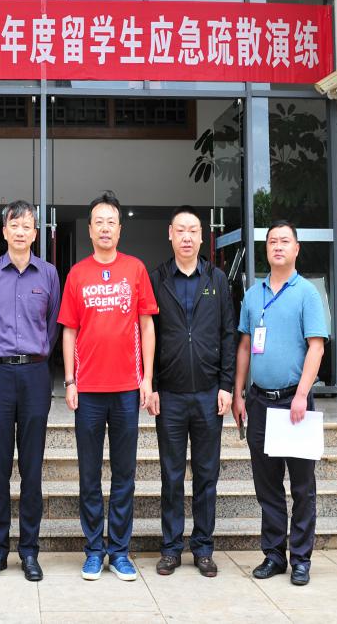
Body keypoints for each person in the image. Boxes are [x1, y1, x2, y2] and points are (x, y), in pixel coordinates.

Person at [57, 190, 157, 582]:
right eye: (98, 222)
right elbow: (69, 331)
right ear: (90, 229)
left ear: (119, 229)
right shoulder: (77, 274)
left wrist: (147, 378)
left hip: (128, 390)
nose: (104, 228)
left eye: (110, 222)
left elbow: (147, 325)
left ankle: (119, 551)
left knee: (124, 474)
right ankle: (93, 550)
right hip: (88, 391)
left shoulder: (135, 269)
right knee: (89, 475)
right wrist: (70, 380)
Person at [232, 219, 328, 587]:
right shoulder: (253, 295)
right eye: (272, 241)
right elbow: (245, 346)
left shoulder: (307, 293)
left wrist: (302, 394)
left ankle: (301, 558)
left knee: (302, 486)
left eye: (284, 241)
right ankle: (274, 554)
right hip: (259, 402)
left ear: (296, 248)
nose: (277, 246)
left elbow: (316, 347)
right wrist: (239, 393)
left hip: (295, 403)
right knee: (267, 485)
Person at [0, 200, 61, 582]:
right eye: (15, 225)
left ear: (35, 233)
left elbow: (53, 327)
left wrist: (35, 358)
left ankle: (29, 551)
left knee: (32, 468)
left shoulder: (49, 274)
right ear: (5, 231)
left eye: (27, 226)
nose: (21, 231)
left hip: (35, 376)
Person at [149, 206, 235, 578]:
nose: (187, 236)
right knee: (171, 476)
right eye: (181, 230)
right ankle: (171, 548)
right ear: (170, 234)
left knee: (206, 475)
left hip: (208, 395)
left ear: (202, 237)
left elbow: (228, 334)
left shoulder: (217, 279)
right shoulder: (157, 278)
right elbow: (147, 335)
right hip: (169, 395)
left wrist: (227, 385)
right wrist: (151, 385)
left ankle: (203, 548)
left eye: (193, 230)